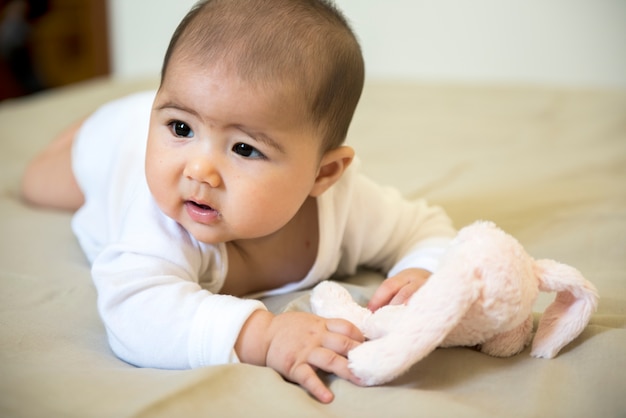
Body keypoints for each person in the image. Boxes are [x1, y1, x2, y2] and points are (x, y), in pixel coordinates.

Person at [20, 0, 456, 404]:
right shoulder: (162, 218)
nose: (199, 172)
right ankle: (101, 123)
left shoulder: (348, 208)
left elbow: (424, 228)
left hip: (152, 128)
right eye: (180, 127)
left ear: (323, 175)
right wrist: (261, 335)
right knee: (38, 183)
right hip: (116, 146)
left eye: (244, 149)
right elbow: (134, 313)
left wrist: (419, 272)